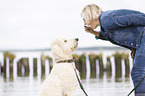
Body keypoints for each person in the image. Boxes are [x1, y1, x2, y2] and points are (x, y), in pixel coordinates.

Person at [81, 4, 145, 96]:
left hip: (143, 37)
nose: (84, 23)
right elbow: (109, 36)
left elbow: (133, 18)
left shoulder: (107, 19)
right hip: (140, 42)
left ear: (89, 16)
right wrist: (93, 32)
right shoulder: (105, 25)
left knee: (138, 72)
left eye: (84, 19)